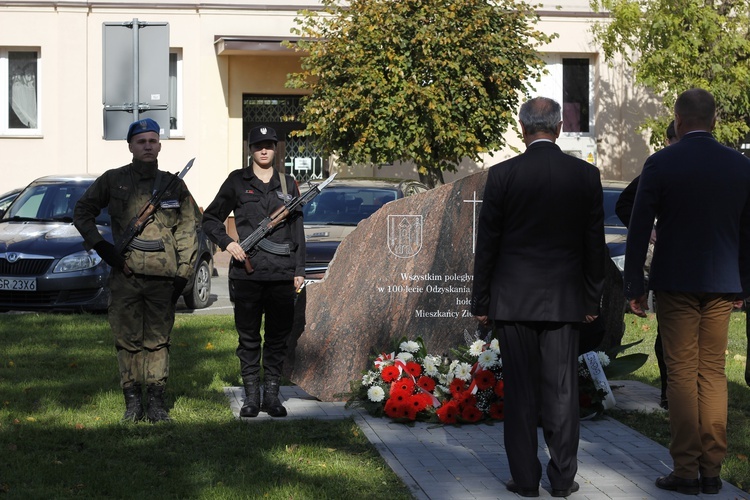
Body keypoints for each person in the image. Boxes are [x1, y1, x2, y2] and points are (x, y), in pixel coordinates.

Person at [471, 97, 606, 498]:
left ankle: (526, 479)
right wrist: (591, 300)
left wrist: (481, 302)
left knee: (521, 393)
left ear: (522, 127)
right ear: (560, 127)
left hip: (513, 301)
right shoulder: (585, 175)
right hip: (565, 301)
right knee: (562, 391)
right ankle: (563, 479)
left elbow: (488, 245)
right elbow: (593, 246)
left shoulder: (503, 175)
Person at [624, 88, 750, 495]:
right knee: (712, 372)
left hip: (675, 281)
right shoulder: (740, 166)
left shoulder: (660, 163)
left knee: (680, 374)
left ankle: (684, 469)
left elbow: (640, 228)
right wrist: (744, 285)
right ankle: (712, 470)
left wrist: (634, 286)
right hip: (722, 284)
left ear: (678, 121)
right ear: (714, 120)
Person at [74, 117, 198, 423]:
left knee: (158, 340)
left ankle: (156, 403)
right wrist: (102, 248)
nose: (147, 146)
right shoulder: (113, 180)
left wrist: (184, 273)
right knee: (126, 340)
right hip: (125, 275)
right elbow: (82, 212)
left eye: (153, 141)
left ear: (159, 146)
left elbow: (188, 230)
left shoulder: (174, 185)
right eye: (141, 141)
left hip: (163, 279)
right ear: (130, 145)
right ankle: (132, 403)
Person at [202, 125, 305, 418]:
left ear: (275, 149)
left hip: (281, 274)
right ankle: (251, 397)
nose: (264, 150)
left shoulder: (288, 184)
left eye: (269, 145)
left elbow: (297, 230)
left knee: (277, 337)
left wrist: (299, 269)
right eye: (258, 145)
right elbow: (209, 219)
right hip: (246, 276)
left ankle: (271, 396)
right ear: (250, 149)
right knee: (248, 338)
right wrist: (228, 242)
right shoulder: (237, 181)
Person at [615, 120, 678, 410]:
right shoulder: (662, 166)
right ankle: (670, 394)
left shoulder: (662, 164)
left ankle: (674, 396)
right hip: (675, 266)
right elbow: (628, 206)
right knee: (669, 337)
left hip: (673, 267)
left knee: (671, 337)